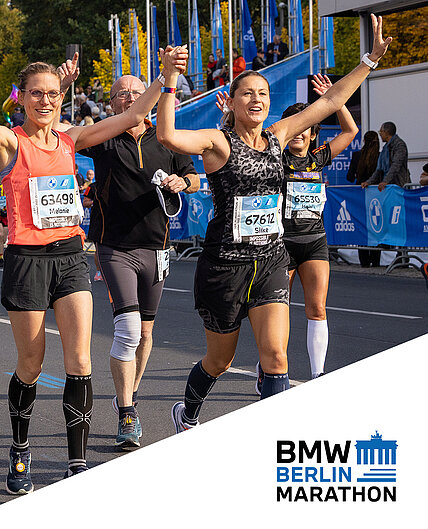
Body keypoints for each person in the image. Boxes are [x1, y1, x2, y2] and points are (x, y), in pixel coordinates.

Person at [0, 38, 183, 491]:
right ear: (21, 98)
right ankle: (20, 450)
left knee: (80, 360)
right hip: (26, 260)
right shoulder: (10, 141)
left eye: (53, 93)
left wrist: (163, 76)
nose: (45, 100)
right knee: (31, 364)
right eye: (36, 93)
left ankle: (76, 462)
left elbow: (133, 115)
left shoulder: (72, 137)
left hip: (70, 257)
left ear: (63, 97)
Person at [156, 15, 391, 433]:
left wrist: (369, 61)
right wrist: (170, 81)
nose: (257, 99)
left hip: (269, 261)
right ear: (232, 102)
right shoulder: (216, 142)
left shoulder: (280, 136)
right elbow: (169, 136)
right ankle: (187, 414)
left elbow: (331, 101)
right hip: (224, 267)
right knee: (220, 361)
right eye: (247, 93)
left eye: (263, 93)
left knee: (276, 358)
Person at [70, 73, 199, 449]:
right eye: (120, 94)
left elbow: (193, 177)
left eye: (135, 92)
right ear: (111, 104)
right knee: (127, 330)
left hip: (157, 248)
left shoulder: (167, 137)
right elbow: (65, 133)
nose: (128, 98)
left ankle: (128, 395)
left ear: (151, 97)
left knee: (145, 334)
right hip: (115, 247)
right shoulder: (103, 137)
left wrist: (181, 183)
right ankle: (127, 412)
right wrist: (64, 87)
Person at [278, 75, 358, 381]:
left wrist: (334, 100)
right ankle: (271, 369)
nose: (298, 131)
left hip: (314, 242)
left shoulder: (318, 159)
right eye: (292, 125)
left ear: (312, 133)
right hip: (281, 244)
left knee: (317, 308)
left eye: (304, 125)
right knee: (278, 311)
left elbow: (350, 130)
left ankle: (317, 374)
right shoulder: (275, 158)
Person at [362, 121, 410, 190]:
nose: (380, 134)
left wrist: (385, 181)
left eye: (381, 132)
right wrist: (369, 182)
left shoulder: (399, 145)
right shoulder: (385, 148)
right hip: (388, 186)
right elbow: (379, 169)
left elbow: (396, 165)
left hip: (398, 186)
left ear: (387, 132)